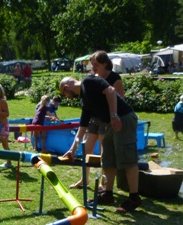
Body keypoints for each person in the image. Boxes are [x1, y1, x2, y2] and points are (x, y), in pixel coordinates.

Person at [59, 75, 142, 213]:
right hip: (110, 123)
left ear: (67, 87)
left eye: (65, 94)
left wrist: (114, 115)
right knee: (108, 158)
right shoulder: (85, 101)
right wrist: (72, 150)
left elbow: (110, 90)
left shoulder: (89, 81)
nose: (67, 97)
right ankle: (107, 194)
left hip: (123, 118)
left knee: (127, 158)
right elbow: (82, 128)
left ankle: (134, 198)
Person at [70, 51, 125, 190]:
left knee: (103, 152)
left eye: (95, 64)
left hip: (106, 119)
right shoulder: (92, 78)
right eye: (92, 64)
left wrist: (113, 117)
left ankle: (103, 183)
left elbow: (120, 100)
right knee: (86, 149)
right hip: (94, 119)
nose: (93, 67)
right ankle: (84, 179)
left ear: (104, 63)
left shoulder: (114, 77)